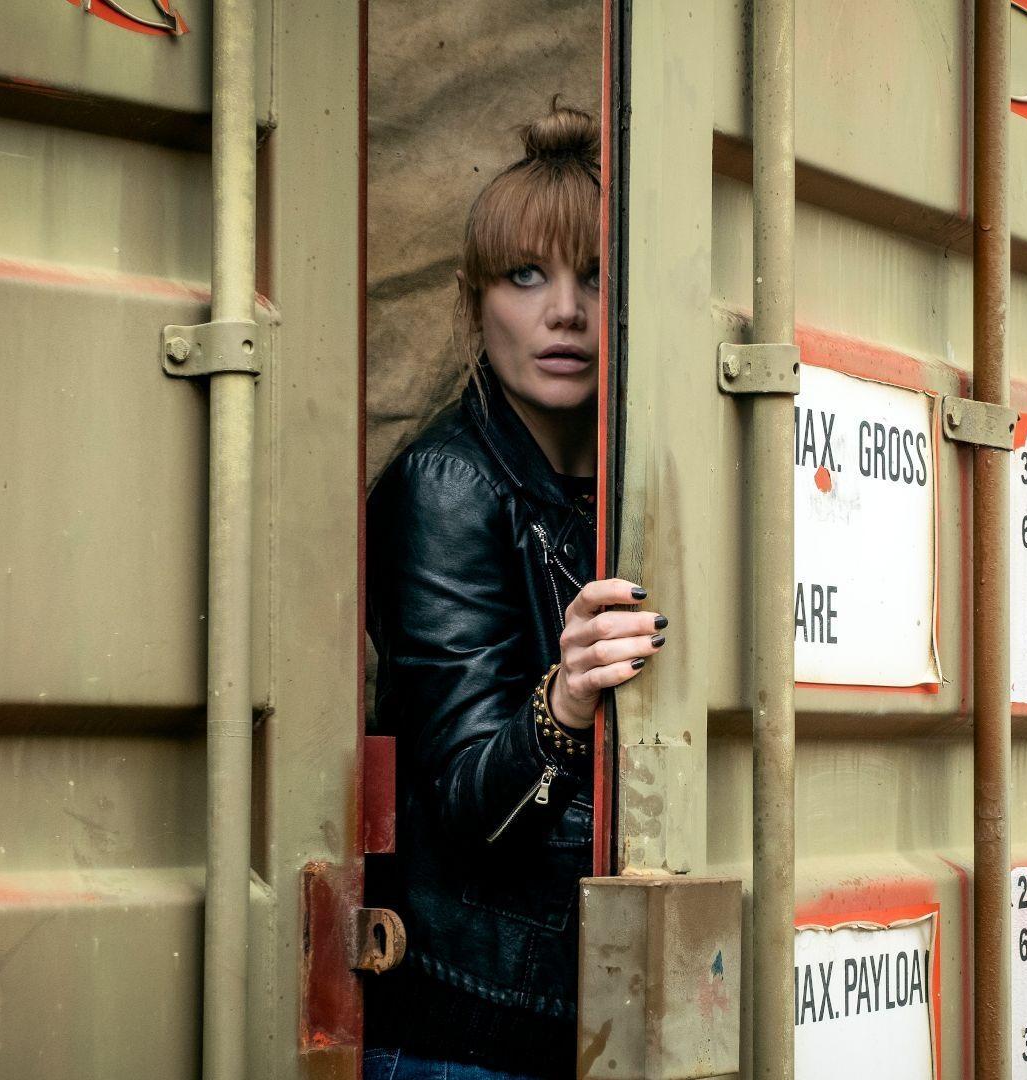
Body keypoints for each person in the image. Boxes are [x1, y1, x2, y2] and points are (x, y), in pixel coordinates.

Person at [363, 102, 665, 1080]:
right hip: (472, 1038)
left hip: (597, 1023)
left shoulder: (632, 488)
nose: (565, 311)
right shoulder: (447, 485)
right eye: (526, 276)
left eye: (595, 276)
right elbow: (462, 801)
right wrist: (563, 702)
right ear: (473, 301)